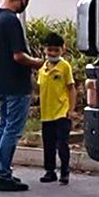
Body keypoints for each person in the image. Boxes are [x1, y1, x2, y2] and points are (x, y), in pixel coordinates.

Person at [0, 0, 42, 192]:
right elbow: (19, 56)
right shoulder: (11, 21)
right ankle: (3, 174)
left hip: (0, 81)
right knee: (12, 129)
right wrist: (40, 64)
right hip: (16, 84)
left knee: (3, 126)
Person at [36, 31, 76, 185]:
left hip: (61, 112)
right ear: (45, 49)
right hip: (47, 112)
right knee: (48, 144)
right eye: (49, 50)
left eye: (56, 50)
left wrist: (71, 110)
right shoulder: (43, 68)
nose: (52, 53)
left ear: (62, 50)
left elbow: (71, 88)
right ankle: (49, 171)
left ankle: (65, 171)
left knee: (62, 144)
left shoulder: (64, 67)